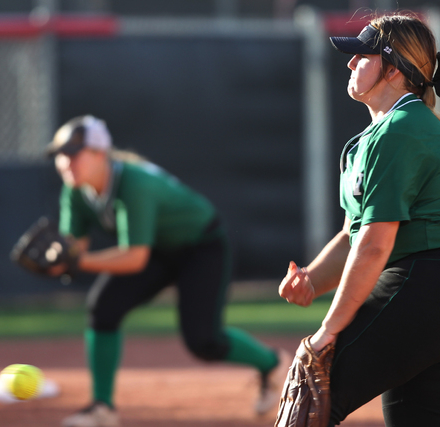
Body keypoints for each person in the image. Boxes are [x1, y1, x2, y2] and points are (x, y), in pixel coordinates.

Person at [278, 13, 440, 427]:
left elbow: (375, 246)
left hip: (422, 287)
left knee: (309, 403)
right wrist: (312, 280)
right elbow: (352, 234)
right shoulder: (383, 133)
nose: (351, 63)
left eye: (362, 55)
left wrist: (327, 331)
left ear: (392, 69)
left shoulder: (402, 129)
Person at [45, 115, 291, 427]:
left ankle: (271, 364)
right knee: (103, 308)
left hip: (201, 245)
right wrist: (59, 259)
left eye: (73, 153)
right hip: (159, 251)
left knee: (203, 341)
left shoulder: (134, 184)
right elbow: (73, 248)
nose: (66, 162)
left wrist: (74, 262)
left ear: (100, 154)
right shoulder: (75, 191)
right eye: (60, 155)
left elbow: (133, 258)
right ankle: (101, 408)